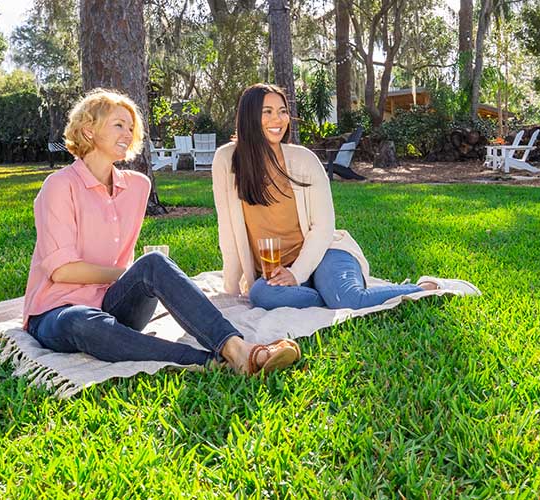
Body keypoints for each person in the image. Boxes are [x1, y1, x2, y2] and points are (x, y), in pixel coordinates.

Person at [23, 88, 300, 375]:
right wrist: (126, 274)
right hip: (57, 313)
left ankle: (236, 348)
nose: (128, 134)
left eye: (131, 128)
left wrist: (141, 275)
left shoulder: (136, 187)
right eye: (119, 125)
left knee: (154, 263)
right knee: (81, 322)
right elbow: (62, 272)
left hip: (112, 304)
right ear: (89, 131)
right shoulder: (59, 186)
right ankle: (208, 361)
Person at [212, 83, 440, 310]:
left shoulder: (304, 160)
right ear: (248, 117)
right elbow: (228, 232)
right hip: (276, 270)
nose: (278, 120)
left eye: (283, 111)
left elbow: (323, 227)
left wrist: (296, 273)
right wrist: (231, 290)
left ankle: (424, 288)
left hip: (325, 254)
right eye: (267, 112)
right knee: (260, 294)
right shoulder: (226, 160)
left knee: (349, 299)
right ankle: (327, 296)